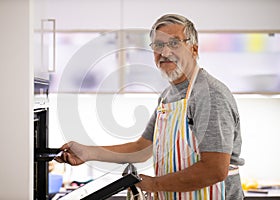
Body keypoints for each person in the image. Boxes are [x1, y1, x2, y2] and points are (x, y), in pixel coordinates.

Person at [55, 14, 245, 199]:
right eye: (159, 45)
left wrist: (154, 184)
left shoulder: (209, 94)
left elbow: (214, 169)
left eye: (174, 43)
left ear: (194, 49)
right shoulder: (167, 96)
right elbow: (143, 148)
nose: (165, 52)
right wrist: (87, 152)